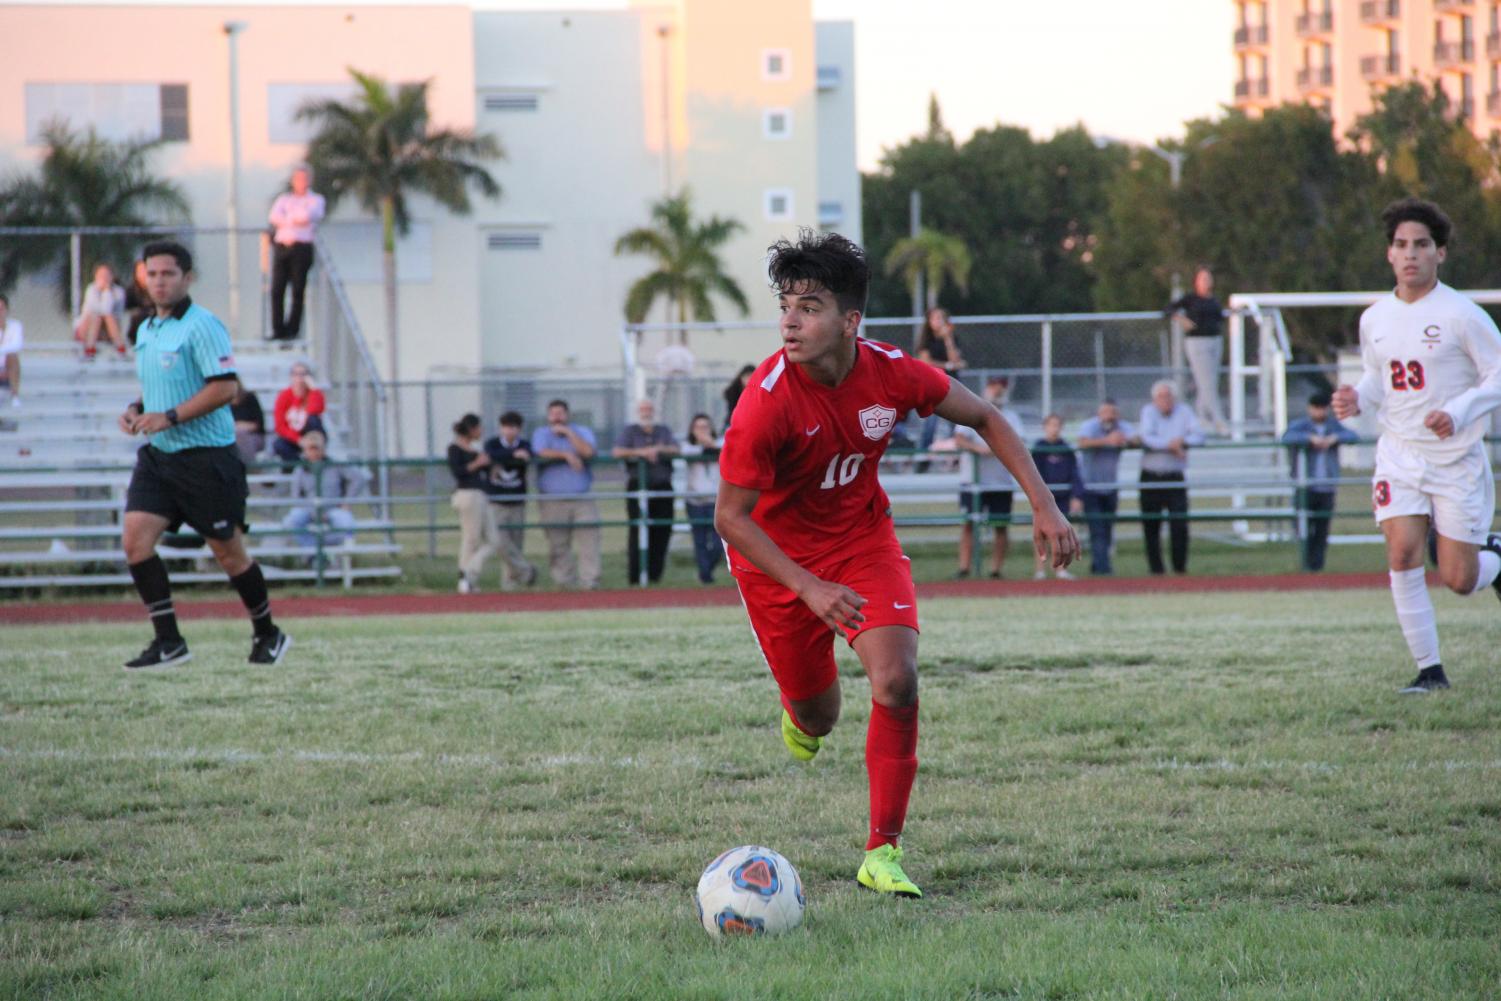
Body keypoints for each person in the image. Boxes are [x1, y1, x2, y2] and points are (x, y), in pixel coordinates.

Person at [715, 231, 1077, 899]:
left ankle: (881, 850)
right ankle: (800, 715)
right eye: (785, 305)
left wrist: (1043, 504)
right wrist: (807, 586)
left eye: (810, 305)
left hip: (861, 543)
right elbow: (729, 518)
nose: (790, 321)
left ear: (850, 321)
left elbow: (986, 417)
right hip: (778, 564)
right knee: (819, 715)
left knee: (896, 678)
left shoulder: (892, 371)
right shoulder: (764, 401)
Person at [1332, 197, 1501, 694]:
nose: (1411, 254)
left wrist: (1460, 410)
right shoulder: (1374, 318)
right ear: (1389, 254)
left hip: (1456, 460)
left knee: (1459, 579)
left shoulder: (1462, 315)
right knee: (1403, 552)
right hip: (1400, 453)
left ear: (1440, 254)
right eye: (1402, 245)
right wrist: (1356, 399)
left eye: (1422, 245)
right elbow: (1376, 378)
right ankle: (1431, 672)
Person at [116, 240, 291, 668]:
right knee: (136, 542)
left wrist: (170, 416)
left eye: (168, 274)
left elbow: (225, 387)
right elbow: (162, 384)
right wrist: (138, 409)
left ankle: (268, 634)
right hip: (159, 457)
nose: (159, 281)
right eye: (152, 274)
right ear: (143, 277)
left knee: (228, 553)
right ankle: (169, 641)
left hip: (206, 459)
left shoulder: (202, 325)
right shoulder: (145, 328)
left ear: (186, 278)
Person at [951, 375, 1024, 579]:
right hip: (972, 482)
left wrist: (994, 448)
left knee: (1000, 526)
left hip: (1000, 483)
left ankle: (995, 570)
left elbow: (1018, 442)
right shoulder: (971, 409)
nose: (998, 390)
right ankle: (964, 568)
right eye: (994, 386)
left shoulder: (1011, 416)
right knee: (968, 524)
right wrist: (978, 448)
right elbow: (959, 439)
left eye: (1002, 386)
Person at [1281, 391, 1358, 573]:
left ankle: (1317, 566)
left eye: (1323, 408)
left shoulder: (1333, 427)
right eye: (1316, 408)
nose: (1319, 412)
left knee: (1322, 527)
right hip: (1306, 486)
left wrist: (1334, 439)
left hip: (1327, 487)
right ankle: (1306, 563)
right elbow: (1286, 437)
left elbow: (1353, 436)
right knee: (1304, 525)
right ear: (1309, 408)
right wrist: (1309, 439)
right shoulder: (1301, 426)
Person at [531, 399, 601, 590]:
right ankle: (564, 583)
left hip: (581, 497)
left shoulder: (582, 431)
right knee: (558, 543)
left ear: (568, 415)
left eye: (560, 413)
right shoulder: (541, 433)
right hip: (552, 499)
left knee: (589, 540)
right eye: (553, 413)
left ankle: (590, 581)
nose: (557, 417)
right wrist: (566, 455)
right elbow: (539, 452)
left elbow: (588, 451)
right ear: (547, 416)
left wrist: (569, 433)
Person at [1138, 380, 1204, 575]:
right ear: (1154, 399)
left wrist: (1182, 441)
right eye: (1160, 396)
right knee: (1151, 525)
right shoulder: (1148, 412)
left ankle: (1179, 569)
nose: (1164, 400)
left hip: (1175, 476)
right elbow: (1146, 437)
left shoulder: (1184, 412)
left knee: (1179, 524)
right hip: (1151, 476)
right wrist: (1171, 445)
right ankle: (1156, 570)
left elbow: (1199, 436)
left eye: (1168, 396)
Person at [612, 398, 679, 584]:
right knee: (638, 530)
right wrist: (641, 452)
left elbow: (675, 448)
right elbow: (617, 451)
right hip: (638, 485)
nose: (646, 412)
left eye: (649, 409)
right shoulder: (630, 431)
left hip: (662, 486)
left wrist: (658, 449)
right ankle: (636, 576)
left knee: (662, 529)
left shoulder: (663, 431)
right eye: (643, 409)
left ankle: (655, 576)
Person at [1076, 398, 1137, 576]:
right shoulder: (1091, 426)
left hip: (1110, 487)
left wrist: (1126, 441)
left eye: (1112, 412)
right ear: (1099, 413)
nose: (1109, 416)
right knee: (1097, 529)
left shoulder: (1121, 426)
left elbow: (1136, 439)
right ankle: (1103, 569)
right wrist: (1107, 441)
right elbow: (1082, 442)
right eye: (1105, 412)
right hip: (1090, 486)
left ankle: (1098, 565)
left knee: (1108, 528)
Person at [281, 429, 366, 556]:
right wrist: (313, 512)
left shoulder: (335, 465)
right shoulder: (300, 470)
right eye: (309, 448)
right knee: (290, 522)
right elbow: (296, 498)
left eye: (316, 447)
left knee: (347, 523)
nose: (313, 452)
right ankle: (313, 555)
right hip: (309, 509)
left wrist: (347, 502)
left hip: (333, 508)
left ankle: (331, 552)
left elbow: (358, 478)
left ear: (323, 448)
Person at [1167, 267, 1229, 435]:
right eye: (1203, 278)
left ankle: (1202, 416)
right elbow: (1169, 309)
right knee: (1205, 382)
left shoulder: (1213, 300)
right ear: (1196, 281)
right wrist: (1181, 319)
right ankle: (1219, 420)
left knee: (1211, 381)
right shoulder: (1191, 299)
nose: (1206, 282)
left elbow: (1218, 318)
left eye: (1208, 278)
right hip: (1197, 342)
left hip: (1214, 341)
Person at [267, 164, 325, 342]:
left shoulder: (316, 199)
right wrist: (294, 219)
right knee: (277, 289)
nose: (301, 182)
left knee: (297, 290)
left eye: (304, 178)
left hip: (301, 248)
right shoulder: (284, 199)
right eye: (298, 178)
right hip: (282, 246)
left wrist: (288, 219)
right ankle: (278, 330)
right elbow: (274, 217)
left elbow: (308, 216)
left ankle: (292, 330)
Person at [482, 411, 538, 589]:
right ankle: (526, 571)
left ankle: (510, 583)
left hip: (517, 501)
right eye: (505, 427)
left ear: (519, 429)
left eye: (513, 427)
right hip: (496, 501)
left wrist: (520, 454)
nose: (509, 431)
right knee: (499, 541)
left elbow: (529, 454)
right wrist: (514, 454)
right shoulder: (492, 443)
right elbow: (492, 455)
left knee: (515, 543)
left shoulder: (525, 444)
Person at [1029, 414, 1086, 580]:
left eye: (1057, 425)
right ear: (1044, 427)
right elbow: (1034, 474)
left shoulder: (1067, 449)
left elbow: (1076, 473)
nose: (1054, 428)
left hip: (1062, 498)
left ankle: (1061, 569)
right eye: (1051, 425)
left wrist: (1077, 496)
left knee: (1062, 533)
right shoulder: (1039, 448)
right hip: (1043, 499)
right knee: (1041, 534)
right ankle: (1040, 570)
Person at [448, 413, 499, 594]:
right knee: (471, 539)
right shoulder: (455, 448)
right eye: (478, 427)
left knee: (494, 541)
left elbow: (489, 468)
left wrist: (489, 466)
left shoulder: (476, 449)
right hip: (468, 495)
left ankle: (469, 572)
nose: (481, 431)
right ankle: (465, 579)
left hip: (481, 495)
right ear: (471, 429)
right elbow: (459, 472)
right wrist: (477, 463)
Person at [914, 306, 966, 461]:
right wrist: (948, 365)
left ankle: (956, 459)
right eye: (935, 318)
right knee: (930, 424)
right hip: (933, 386)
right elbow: (927, 363)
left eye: (941, 318)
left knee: (955, 422)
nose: (938, 322)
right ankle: (922, 459)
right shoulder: (926, 341)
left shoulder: (952, 338)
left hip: (952, 384)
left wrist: (948, 339)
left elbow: (955, 359)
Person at [680, 413, 724, 584]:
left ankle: (707, 571)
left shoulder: (721, 442)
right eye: (699, 427)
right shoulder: (687, 446)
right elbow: (692, 452)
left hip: (716, 500)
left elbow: (723, 451)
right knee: (700, 541)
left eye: (706, 426)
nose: (703, 430)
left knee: (718, 542)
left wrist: (709, 442)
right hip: (695, 501)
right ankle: (705, 577)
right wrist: (704, 444)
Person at [271, 362, 326, 465]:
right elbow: (280, 426)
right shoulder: (284, 396)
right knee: (279, 444)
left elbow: (315, 411)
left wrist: (313, 388)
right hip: (294, 438)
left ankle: (315, 462)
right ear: (291, 377)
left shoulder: (314, 394)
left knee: (313, 420)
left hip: (312, 435)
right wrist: (299, 440)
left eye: (303, 374)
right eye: (296, 374)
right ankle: (299, 468)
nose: (300, 378)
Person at [75, 263, 129, 359]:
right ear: (95, 277)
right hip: (86, 330)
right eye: (101, 275)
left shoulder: (118, 292)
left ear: (112, 276)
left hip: (109, 332)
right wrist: (105, 291)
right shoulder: (91, 289)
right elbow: (97, 310)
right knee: (96, 317)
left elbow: (107, 310)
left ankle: (121, 350)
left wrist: (107, 291)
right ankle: (89, 350)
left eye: (107, 275)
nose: (104, 278)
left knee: (109, 317)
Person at [231, 382, 267, 467]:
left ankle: (249, 467)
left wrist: (240, 426)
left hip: (253, 437)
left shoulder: (250, 398)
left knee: (241, 434)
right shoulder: (223, 404)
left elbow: (258, 425)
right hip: (232, 438)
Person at [124, 259, 152, 347]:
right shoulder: (131, 290)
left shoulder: (156, 289)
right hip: (137, 323)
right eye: (140, 270)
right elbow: (127, 308)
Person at [0, 294, 22, 408]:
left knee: (12, 357)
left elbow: (17, 345)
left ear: (6, 310)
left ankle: (15, 396)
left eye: (1, 309)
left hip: (7, 365)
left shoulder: (15, 325)